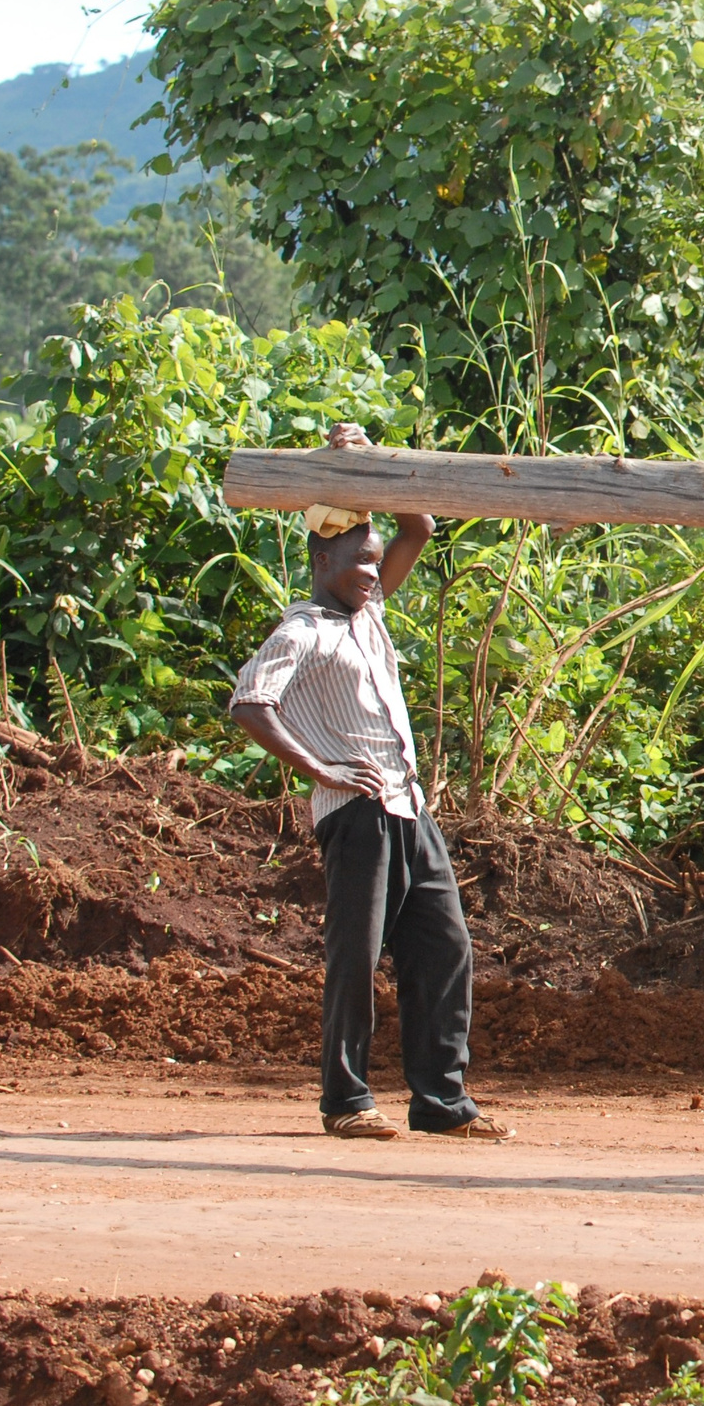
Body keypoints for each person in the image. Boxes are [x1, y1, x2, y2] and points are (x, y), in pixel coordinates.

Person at [230, 423, 509, 1143]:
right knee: (355, 958)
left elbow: (418, 522)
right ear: (321, 558)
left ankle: (441, 1102)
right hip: (355, 814)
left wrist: (364, 464)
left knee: (444, 948)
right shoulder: (305, 630)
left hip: (408, 808)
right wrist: (320, 770)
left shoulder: (372, 613)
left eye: (373, 561)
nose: (367, 572)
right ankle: (346, 1101)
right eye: (355, 561)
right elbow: (250, 703)